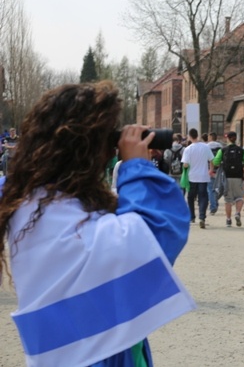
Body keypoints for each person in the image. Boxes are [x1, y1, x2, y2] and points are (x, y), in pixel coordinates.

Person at [0, 81, 194, 367]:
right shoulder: (56, 210)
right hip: (93, 354)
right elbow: (160, 229)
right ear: (89, 148)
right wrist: (137, 167)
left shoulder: (22, 199)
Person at [213, 131, 244, 227]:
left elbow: (215, 162)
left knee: (228, 200)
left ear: (228, 138)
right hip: (238, 177)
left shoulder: (223, 150)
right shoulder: (242, 150)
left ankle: (228, 220)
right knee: (240, 197)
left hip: (226, 177)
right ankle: (237, 212)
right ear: (236, 138)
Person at [181, 128, 214, 229]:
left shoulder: (188, 149)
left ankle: (192, 216)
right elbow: (212, 160)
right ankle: (202, 217)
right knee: (203, 197)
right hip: (203, 176)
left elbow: (185, 164)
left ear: (190, 137)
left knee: (191, 197)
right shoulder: (205, 147)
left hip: (192, 177)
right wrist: (211, 170)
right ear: (198, 135)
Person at [207, 132, 224, 215]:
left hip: (209, 169)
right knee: (219, 188)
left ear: (210, 137)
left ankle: (213, 206)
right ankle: (215, 200)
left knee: (210, 189)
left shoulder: (206, 146)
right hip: (219, 170)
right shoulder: (220, 147)